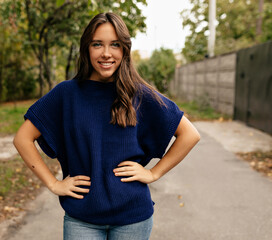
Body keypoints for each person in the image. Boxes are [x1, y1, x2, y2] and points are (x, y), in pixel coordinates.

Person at [14, 12, 200, 240]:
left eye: (115, 45)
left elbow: (190, 134)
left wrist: (153, 173)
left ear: (124, 50)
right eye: (97, 44)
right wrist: (53, 184)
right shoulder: (67, 94)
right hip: (82, 219)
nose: (106, 53)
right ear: (86, 49)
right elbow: (22, 138)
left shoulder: (139, 94)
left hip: (133, 219)